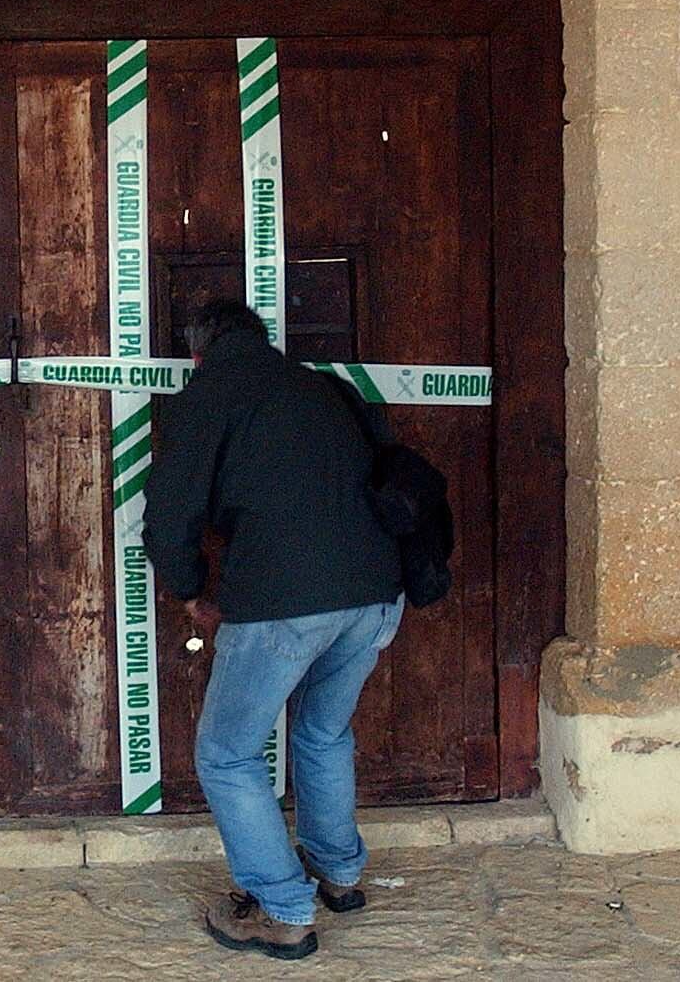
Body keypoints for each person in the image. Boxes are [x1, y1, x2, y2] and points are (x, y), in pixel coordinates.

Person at [142, 298, 403, 961]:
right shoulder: (323, 388)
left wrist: (191, 587)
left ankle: (284, 911)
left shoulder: (207, 394)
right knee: (321, 731)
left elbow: (171, 514)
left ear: (196, 352)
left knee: (227, 753)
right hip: (376, 589)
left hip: (284, 602)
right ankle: (339, 876)